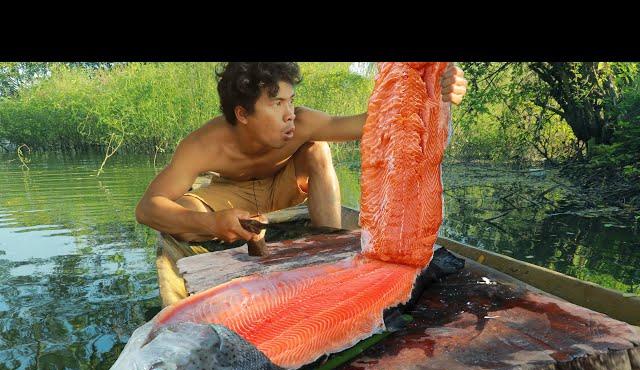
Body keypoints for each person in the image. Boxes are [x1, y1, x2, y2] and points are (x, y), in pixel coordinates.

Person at [135, 62, 468, 244]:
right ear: (242, 114)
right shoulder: (202, 145)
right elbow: (148, 208)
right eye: (277, 103)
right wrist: (210, 221)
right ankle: (224, 228)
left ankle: (328, 244)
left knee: (317, 147)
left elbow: (373, 122)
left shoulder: (304, 123)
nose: (290, 112)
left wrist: (431, 88)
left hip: (284, 190)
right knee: (181, 213)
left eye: (291, 100)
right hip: (229, 197)